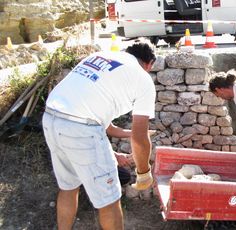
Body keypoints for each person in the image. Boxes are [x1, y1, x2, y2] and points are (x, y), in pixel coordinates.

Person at [42, 41, 156, 229]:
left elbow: (106, 125)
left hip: (52, 118)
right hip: (81, 128)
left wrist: (128, 134)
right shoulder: (142, 79)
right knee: (109, 200)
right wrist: (144, 172)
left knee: (68, 188)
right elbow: (140, 137)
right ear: (149, 64)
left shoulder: (101, 58)